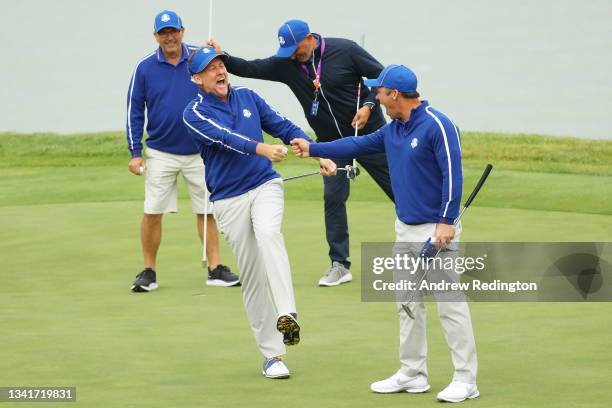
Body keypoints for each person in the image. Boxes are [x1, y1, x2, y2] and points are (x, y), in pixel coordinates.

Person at [291, 65, 479, 402]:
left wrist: (447, 221)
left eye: (379, 92)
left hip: (435, 230)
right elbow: (354, 145)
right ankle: (413, 373)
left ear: (394, 94)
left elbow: (454, 175)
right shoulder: (393, 130)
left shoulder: (438, 124)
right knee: (407, 304)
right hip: (404, 229)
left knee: (449, 305)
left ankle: (466, 378)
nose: (375, 97)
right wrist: (314, 148)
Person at [182, 46, 337, 378]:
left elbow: (282, 125)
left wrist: (317, 152)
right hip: (227, 200)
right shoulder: (193, 114)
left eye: (221, 64)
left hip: (265, 184)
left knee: (269, 233)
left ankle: (287, 313)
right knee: (251, 276)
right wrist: (261, 148)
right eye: (210, 68)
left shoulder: (249, 96)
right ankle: (272, 356)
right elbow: (225, 138)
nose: (219, 70)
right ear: (198, 79)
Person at [208, 19, 395, 287]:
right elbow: (250, 67)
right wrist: (221, 56)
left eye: (296, 49)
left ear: (309, 38)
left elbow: (382, 78)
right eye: (289, 52)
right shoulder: (287, 64)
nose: (294, 56)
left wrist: (367, 106)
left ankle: (429, 244)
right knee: (333, 198)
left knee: (398, 187)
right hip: (330, 144)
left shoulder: (346, 50)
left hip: (368, 135)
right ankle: (339, 265)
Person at [126, 10, 239, 292]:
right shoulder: (145, 67)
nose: (169, 37)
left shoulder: (200, 59)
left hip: (201, 150)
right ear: (155, 36)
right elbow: (134, 110)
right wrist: (134, 152)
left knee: (207, 210)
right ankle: (149, 271)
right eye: (164, 33)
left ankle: (215, 268)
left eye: (173, 31)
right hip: (161, 151)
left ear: (182, 31)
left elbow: (222, 87)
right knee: (153, 210)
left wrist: (219, 58)